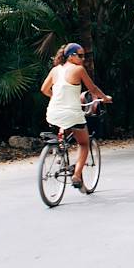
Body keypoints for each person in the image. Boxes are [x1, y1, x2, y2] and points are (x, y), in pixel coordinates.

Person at [41, 43, 112, 190]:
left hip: (52, 112)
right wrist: (105, 98)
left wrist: (57, 97)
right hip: (72, 114)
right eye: (80, 55)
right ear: (71, 56)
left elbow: (44, 89)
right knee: (84, 143)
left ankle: (60, 145)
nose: (83, 59)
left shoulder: (55, 70)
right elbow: (92, 89)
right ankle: (77, 175)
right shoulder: (78, 69)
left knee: (64, 125)